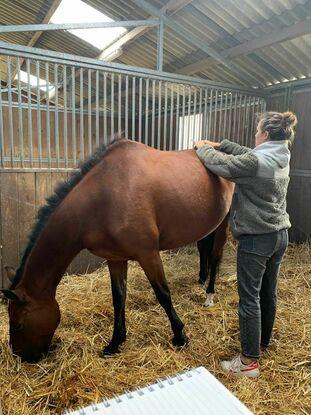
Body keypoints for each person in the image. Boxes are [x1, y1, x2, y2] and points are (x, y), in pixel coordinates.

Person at [194, 111, 297, 378]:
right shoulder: (281, 154)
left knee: (249, 298)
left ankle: (248, 362)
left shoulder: (255, 162)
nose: (254, 134)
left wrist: (203, 149)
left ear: (264, 134)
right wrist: (222, 143)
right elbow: (247, 155)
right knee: (268, 292)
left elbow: (222, 166)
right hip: (279, 234)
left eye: (257, 130)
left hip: (256, 238)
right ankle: (262, 344)